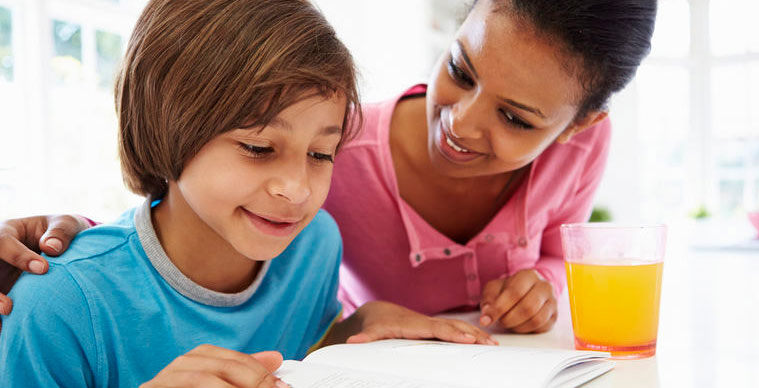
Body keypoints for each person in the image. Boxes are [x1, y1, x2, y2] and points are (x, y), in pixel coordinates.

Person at [0, 0, 657, 335]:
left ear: (577, 126)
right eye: (459, 69)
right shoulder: (338, 150)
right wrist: (72, 243)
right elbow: (185, 207)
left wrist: (542, 284)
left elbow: (553, 251)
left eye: (517, 118)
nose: (459, 122)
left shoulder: (580, 151)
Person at [0, 1, 493, 387]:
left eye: (321, 154)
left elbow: (298, 358)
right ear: (168, 127)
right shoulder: (60, 304)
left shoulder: (313, 244)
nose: (297, 189)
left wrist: (349, 334)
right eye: (258, 147)